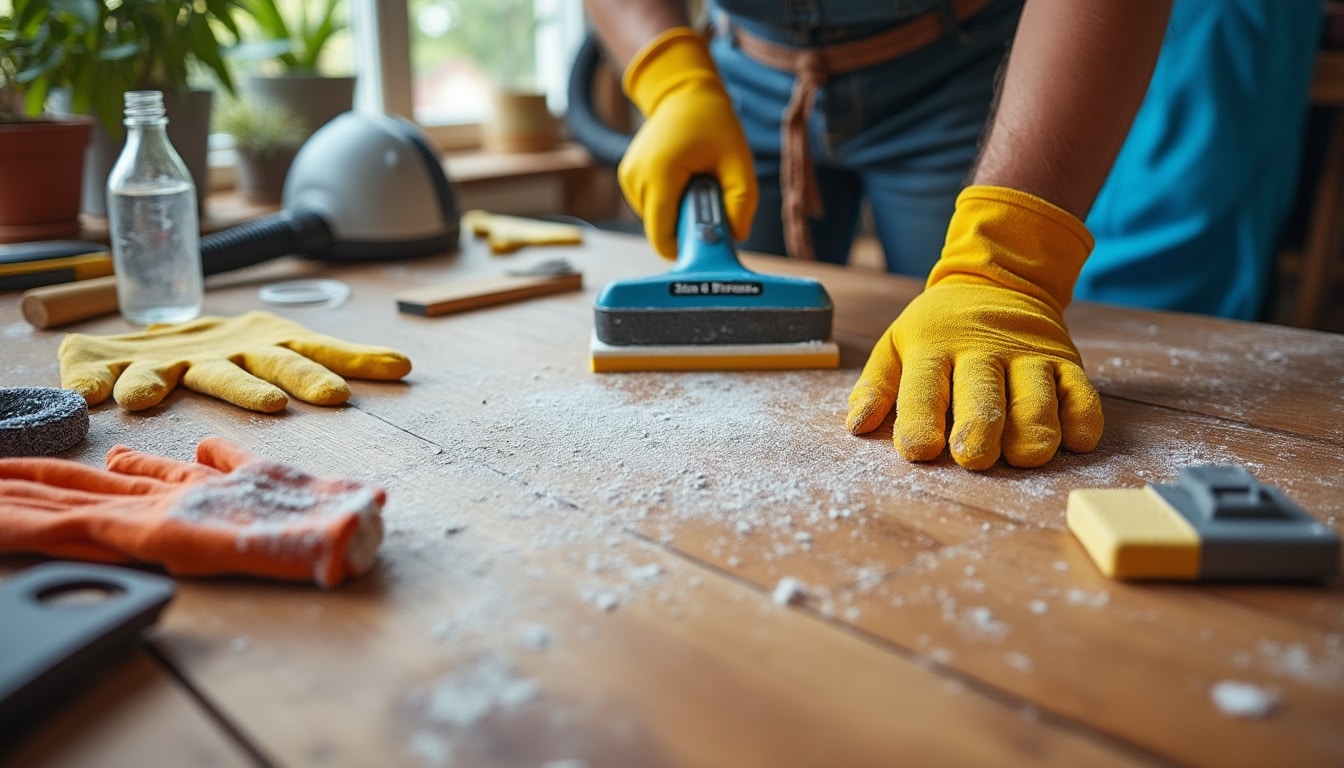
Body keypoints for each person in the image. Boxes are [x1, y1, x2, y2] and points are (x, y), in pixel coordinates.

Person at [583, 0, 1170, 470]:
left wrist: (1007, 265)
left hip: (949, 65)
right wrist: (673, 81)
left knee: (963, 371)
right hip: (739, 72)